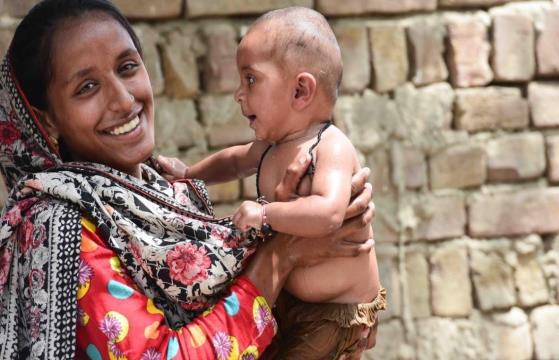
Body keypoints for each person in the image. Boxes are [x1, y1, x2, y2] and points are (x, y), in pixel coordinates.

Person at [0, 1, 376, 359]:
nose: (122, 99)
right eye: (87, 87)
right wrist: (282, 252)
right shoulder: (57, 225)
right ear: (46, 119)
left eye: (128, 67)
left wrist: (338, 309)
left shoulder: (175, 194)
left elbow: (246, 328)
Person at [157, 7, 384, 359]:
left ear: (300, 91)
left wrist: (265, 214)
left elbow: (329, 212)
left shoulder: (329, 146)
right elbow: (233, 161)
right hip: (291, 300)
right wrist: (189, 173)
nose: (238, 93)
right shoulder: (269, 147)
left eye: (251, 79)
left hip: (336, 314)